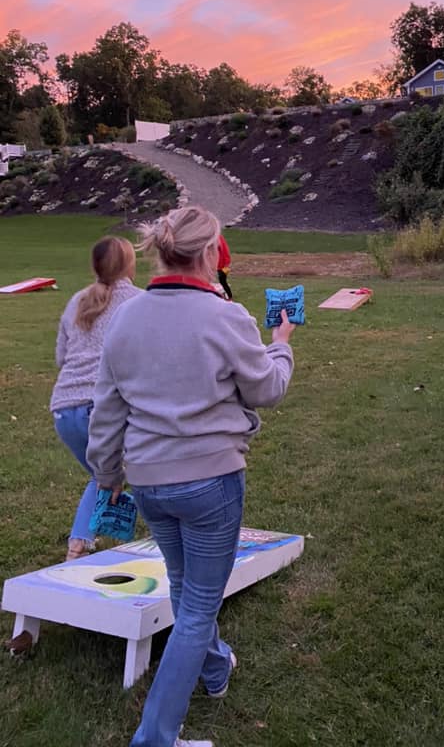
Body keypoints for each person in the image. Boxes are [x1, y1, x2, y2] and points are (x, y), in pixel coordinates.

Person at [87, 205, 295, 747]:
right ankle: (155, 737)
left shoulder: (124, 319)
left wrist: (107, 474)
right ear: (210, 254)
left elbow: (106, 413)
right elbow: (267, 389)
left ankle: (214, 670)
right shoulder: (226, 317)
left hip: (149, 483)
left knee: (185, 590)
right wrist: (282, 344)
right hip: (211, 483)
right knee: (198, 608)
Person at [50, 236, 140, 561]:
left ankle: (82, 542)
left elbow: (62, 356)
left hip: (63, 409)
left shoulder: (77, 300)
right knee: (122, 471)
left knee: (102, 475)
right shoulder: (138, 302)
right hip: (103, 407)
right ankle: (79, 545)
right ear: (130, 264)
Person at [216, 233, 233, 300]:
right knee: (222, 280)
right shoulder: (219, 238)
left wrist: (226, 264)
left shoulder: (218, 238)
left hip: (223, 265)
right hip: (221, 264)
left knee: (222, 280)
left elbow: (224, 251)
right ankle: (227, 295)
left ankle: (229, 296)